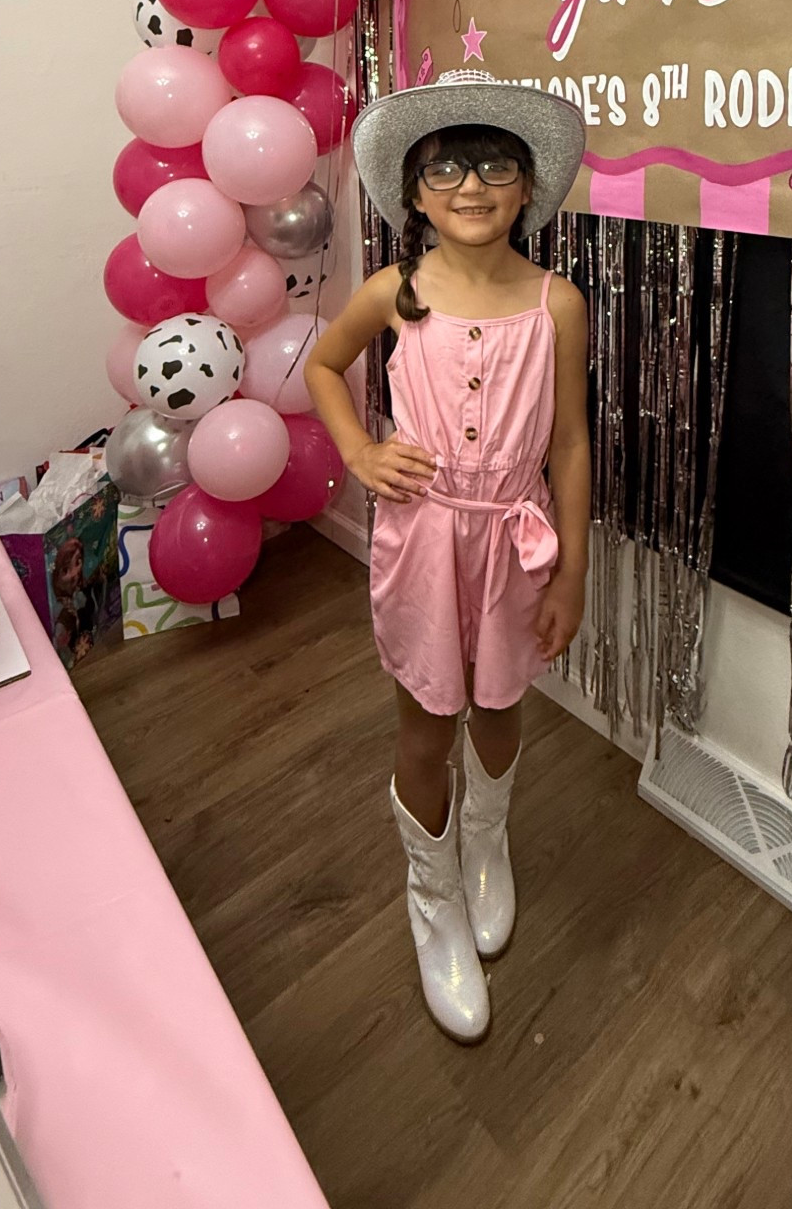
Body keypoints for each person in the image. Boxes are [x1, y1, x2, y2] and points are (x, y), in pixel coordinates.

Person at [305, 69, 589, 1046]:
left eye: (495, 165)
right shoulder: (396, 292)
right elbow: (322, 367)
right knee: (428, 718)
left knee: (503, 704)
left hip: (516, 536)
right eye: (450, 168)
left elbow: (572, 445)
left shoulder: (559, 304)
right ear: (418, 190)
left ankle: (484, 841)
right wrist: (358, 448)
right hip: (423, 538)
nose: (473, 184)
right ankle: (433, 903)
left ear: (527, 185)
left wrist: (575, 569)